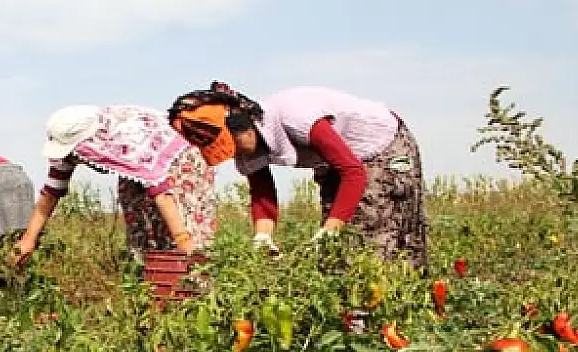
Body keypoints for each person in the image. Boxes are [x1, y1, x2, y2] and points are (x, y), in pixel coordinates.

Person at [168, 82, 428, 269]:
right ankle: (353, 325)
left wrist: (330, 229)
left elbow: (353, 173)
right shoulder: (249, 145)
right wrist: (263, 237)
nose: (236, 154)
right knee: (337, 251)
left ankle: (394, 324)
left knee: (374, 238)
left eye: (232, 145)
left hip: (381, 147)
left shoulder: (296, 116)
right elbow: (262, 193)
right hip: (334, 162)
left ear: (243, 124)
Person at [12, 105, 217, 266]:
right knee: (138, 220)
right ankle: (149, 280)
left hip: (179, 159)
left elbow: (162, 194)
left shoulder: (127, 139)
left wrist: (183, 240)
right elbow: (50, 193)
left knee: (183, 224)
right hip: (138, 168)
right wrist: (28, 239)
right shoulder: (71, 143)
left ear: (90, 141)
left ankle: (193, 281)